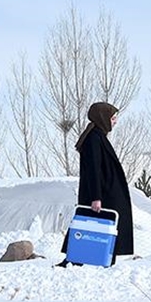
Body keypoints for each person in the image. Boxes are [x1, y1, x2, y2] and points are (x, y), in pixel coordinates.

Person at [57, 102, 134, 266]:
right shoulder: (94, 138)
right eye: (113, 118)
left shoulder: (97, 136)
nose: (115, 122)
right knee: (92, 226)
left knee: (101, 227)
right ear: (103, 118)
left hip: (105, 192)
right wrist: (96, 197)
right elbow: (94, 169)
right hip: (103, 194)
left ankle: (98, 258)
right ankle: (80, 259)